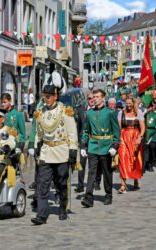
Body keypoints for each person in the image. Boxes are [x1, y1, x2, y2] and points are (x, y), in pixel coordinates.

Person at [31, 84, 78, 225]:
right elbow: (39, 132)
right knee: (42, 184)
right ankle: (42, 215)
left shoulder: (65, 111)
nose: (46, 99)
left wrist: (73, 150)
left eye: (49, 96)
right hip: (46, 151)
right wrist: (36, 145)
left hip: (61, 151)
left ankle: (63, 208)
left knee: (61, 183)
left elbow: (72, 132)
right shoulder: (40, 112)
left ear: (55, 96)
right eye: (44, 96)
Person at [80, 89, 120, 207]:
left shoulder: (110, 112)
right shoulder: (90, 113)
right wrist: (83, 145)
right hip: (93, 146)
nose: (95, 99)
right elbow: (86, 130)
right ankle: (88, 197)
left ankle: (108, 195)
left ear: (103, 98)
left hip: (106, 146)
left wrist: (115, 145)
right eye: (94, 97)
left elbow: (116, 131)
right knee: (91, 172)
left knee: (107, 172)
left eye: (97, 97)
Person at [117, 97, 146, 193]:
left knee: (135, 159)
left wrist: (140, 137)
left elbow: (142, 127)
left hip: (135, 137)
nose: (128, 105)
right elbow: (119, 127)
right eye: (127, 103)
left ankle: (136, 180)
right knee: (122, 159)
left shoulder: (138, 112)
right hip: (124, 137)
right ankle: (123, 185)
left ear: (133, 103)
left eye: (130, 103)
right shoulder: (121, 113)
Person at [75, 92, 95, 193]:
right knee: (81, 164)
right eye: (89, 98)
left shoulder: (98, 110)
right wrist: (78, 141)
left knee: (93, 165)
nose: (91, 100)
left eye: (93, 98)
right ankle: (80, 184)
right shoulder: (81, 110)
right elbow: (78, 127)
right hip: (83, 141)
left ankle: (94, 183)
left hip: (94, 142)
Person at [143, 101, 156, 172]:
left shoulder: (155, 115)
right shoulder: (143, 115)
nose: (148, 108)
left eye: (150, 107)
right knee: (145, 151)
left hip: (152, 134)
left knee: (152, 150)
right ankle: (144, 165)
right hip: (145, 134)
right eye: (147, 107)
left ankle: (150, 164)